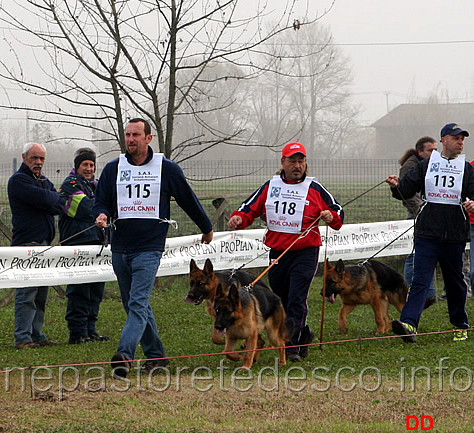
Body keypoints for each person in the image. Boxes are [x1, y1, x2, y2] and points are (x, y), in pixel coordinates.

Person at [93, 118, 213, 378]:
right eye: (127, 134)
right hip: (120, 246)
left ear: (148, 138)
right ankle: (157, 356)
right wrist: (102, 214)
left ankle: (124, 356)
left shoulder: (166, 168)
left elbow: (187, 199)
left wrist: (206, 227)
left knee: (137, 302)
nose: (130, 139)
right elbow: (100, 199)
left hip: (149, 248)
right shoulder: (114, 168)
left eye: (136, 134)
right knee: (132, 304)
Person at [228, 142, 344, 362]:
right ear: (283, 163)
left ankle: (291, 346)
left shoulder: (315, 188)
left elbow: (337, 212)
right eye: (292, 161)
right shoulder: (270, 186)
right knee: (280, 299)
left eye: (301, 161)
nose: (297, 165)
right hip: (278, 253)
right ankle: (304, 332)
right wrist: (238, 219)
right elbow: (248, 209)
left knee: (296, 299)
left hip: (306, 251)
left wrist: (330, 216)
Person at [387, 123, 474, 343]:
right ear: (443, 140)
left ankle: (460, 325)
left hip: (454, 236)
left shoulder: (467, 169)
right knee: (420, 280)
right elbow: (405, 190)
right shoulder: (427, 165)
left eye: (462, 138)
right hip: (427, 234)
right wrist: (396, 185)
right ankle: (408, 324)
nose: (460, 142)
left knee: (455, 282)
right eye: (456, 138)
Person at [8, 142, 65, 349]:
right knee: (27, 293)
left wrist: (51, 199)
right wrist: (51, 198)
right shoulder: (19, 181)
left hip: (45, 244)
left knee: (41, 293)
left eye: (41, 159)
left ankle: (37, 334)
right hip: (27, 244)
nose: (38, 162)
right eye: (34, 158)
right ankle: (23, 337)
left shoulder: (41, 181)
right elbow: (48, 199)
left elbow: (60, 204)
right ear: (24, 158)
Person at [58, 147, 109, 344]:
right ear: (77, 166)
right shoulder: (69, 185)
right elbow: (88, 208)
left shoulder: (96, 185)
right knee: (80, 289)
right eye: (85, 165)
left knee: (96, 289)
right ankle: (77, 332)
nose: (88, 168)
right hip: (78, 243)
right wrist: (103, 208)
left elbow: (107, 205)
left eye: (91, 165)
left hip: (98, 243)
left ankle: (91, 329)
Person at [397, 136, 438, 308]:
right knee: (413, 254)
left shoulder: (433, 165)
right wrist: (422, 210)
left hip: (432, 216)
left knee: (429, 254)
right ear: (420, 151)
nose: (434, 153)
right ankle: (411, 290)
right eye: (430, 150)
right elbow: (406, 194)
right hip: (417, 216)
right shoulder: (410, 166)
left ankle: (429, 294)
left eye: (436, 150)